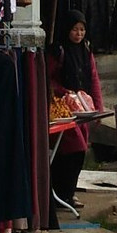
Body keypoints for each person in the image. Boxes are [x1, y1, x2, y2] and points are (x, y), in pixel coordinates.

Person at [46, 11, 104, 210]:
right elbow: (49, 78)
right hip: (63, 110)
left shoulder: (86, 51)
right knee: (74, 149)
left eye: (82, 30)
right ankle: (60, 193)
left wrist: (98, 107)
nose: (78, 34)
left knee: (77, 152)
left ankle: (67, 193)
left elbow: (93, 79)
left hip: (83, 108)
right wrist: (65, 92)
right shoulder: (58, 51)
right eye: (74, 29)